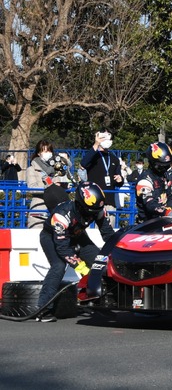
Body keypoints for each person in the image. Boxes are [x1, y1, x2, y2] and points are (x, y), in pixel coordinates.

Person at [36, 181, 115, 322]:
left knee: (101, 263)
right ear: (81, 205)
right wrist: (81, 267)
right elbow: (62, 247)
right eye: (93, 211)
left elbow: (108, 234)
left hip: (78, 235)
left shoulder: (98, 209)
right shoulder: (61, 216)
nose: (96, 213)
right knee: (58, 266)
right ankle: (43, 309)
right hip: (51, 237)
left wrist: (117, 250)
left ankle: (102, 305)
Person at [80, 130, 125, 224]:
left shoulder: (114, 159)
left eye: (109, 136)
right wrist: (96, 143)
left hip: (109, 200)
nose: (106, 139)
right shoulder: (93, 155)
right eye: (104, 136)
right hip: (94, 200)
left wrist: (120, 179)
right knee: (93, 230)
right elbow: (83, 163)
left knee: (109, 229)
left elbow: (119, 180)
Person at [135, 142, 172, 223]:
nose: (165, 169)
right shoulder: (144, 180)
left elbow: (171, 196)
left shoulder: (166, 176)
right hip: (147, 224)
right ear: (152, 163)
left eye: (167, 166)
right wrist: (165, 212)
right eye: (161, 166)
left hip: (165, 221)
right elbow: (150, 204)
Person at [26, 140, 57, 228]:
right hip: (39, 209)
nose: (49, 153)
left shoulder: (56, 168)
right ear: (39, 153)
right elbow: (32, 188)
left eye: (50, 151)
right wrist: (49, 186)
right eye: (45, 151)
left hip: (55, 210)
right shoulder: (31, 169)